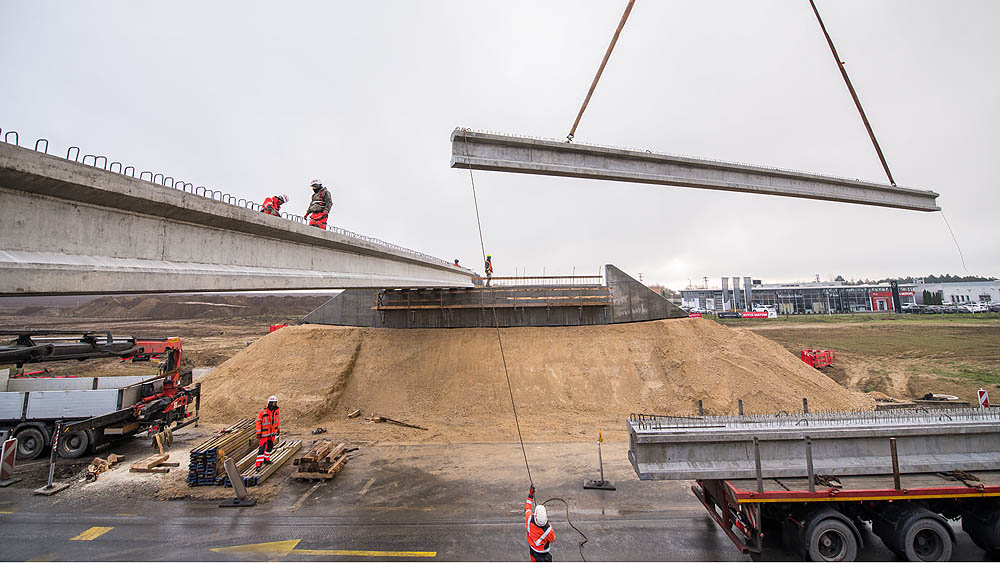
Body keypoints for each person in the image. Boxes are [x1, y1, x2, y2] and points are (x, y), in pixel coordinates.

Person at [525, 485, 554, 561]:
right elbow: (553, 539)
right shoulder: (548, 529)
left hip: (533, 550)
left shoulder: (529, 519)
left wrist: (530, 494)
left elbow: (527, 508)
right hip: (543, 554)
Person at [255, 396, 280, 469]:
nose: (275, 404)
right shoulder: (262, 412)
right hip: (264, 434)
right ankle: (258, 465)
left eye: (275, 402)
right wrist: (258, 432)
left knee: (270, 446)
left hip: (271, 433)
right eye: (273, 402)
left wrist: (278, 429)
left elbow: (277, 421)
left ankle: (266, 459)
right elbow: (258, 422)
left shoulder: (276, 411)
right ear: (270, 403)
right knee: (262, 449)